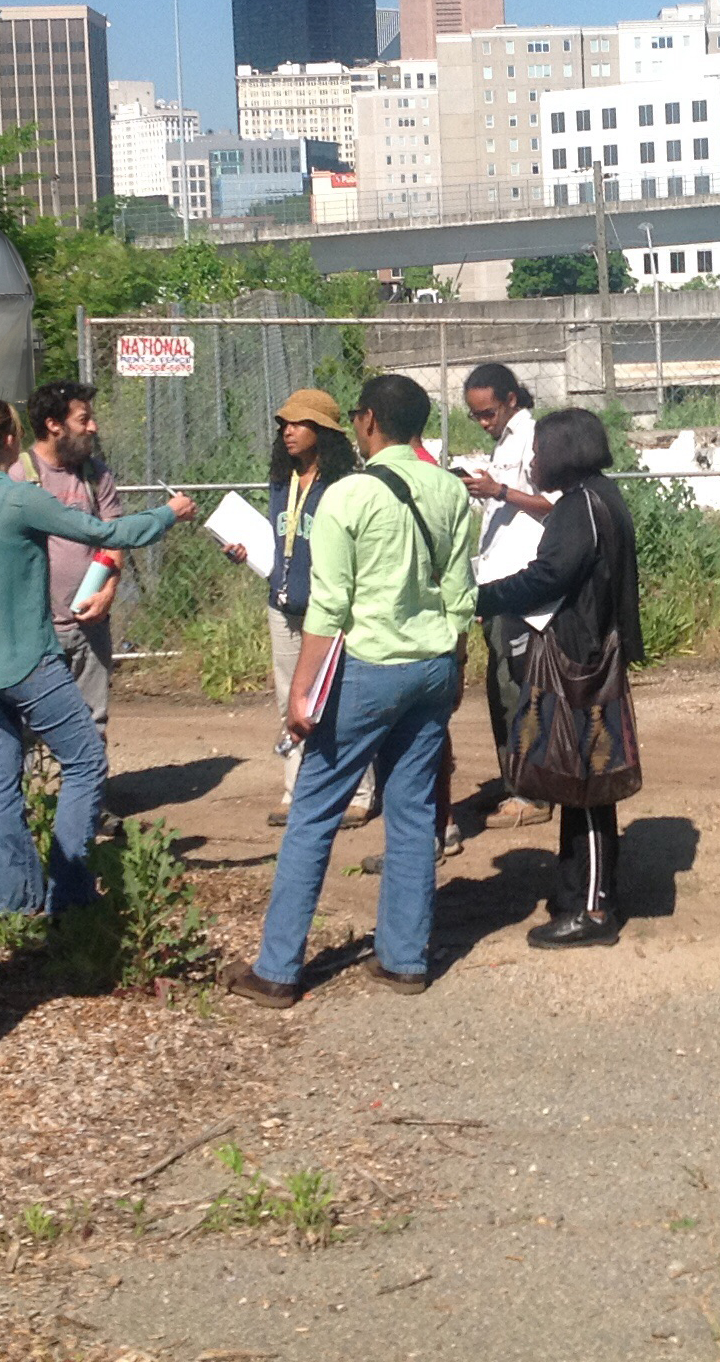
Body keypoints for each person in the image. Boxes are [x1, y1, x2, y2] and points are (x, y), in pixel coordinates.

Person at [221, 374, 475, 1007]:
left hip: (366, 670)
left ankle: (277, 969)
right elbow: (462, 593)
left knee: (312, 814)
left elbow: (327, 608)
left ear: (365, 422)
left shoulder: (349, 495)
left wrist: (300, 695)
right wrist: (455, 667)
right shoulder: (451, 491)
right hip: (432, 666)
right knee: (414, 811)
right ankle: (403, 959)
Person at [0, 398, 193, 916]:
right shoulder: (18, 498)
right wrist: (168, 514)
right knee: (84, 761)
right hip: (26, 659)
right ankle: (70, 897)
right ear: (11, 440)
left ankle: (13, 904)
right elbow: (108, 534)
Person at [473, 408, 646, 949]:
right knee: (576, 784)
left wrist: (484, 596)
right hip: (587, 656)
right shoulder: (597, 497)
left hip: (582, 664)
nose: (533, 460)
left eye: (540, 451)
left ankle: (594, 913)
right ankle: (577, 893)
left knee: (590, 788)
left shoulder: (581, 507)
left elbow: (549, 575)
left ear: (564, 453)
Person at [220, 389, 375, 830]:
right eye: (283, 424)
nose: (288, 432)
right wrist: (245, 552)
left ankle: (359, 793)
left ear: (323, 432)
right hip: (283, 605)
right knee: (290, 700)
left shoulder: (342, 486)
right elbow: (278, 543)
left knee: (341, 700)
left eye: (299, 424)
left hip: (329, 611)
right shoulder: (280, 482)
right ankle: (296, 790)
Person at [458, 363, 555, 830]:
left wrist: (499, 490)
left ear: (512, 399)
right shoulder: (504, 443)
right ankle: (513, 779)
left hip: (522, 586)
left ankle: (533, 793)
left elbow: (555, 504)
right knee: (500, 689)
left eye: (489, 412)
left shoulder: (536, 438)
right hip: (497, 585)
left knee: (519, 689)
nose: (484, 422)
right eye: (476, 415)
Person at [7, 381, 125, 736]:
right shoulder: (18, 477)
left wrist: (108, 593)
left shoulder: (96, 475)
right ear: (53, 425)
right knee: (29, 727)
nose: (93, 427)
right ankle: (34, 792)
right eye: (83, 419)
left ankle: (88, 792)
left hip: (91, 625)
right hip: (36, 631)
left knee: (92, 723)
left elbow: (114, 537)